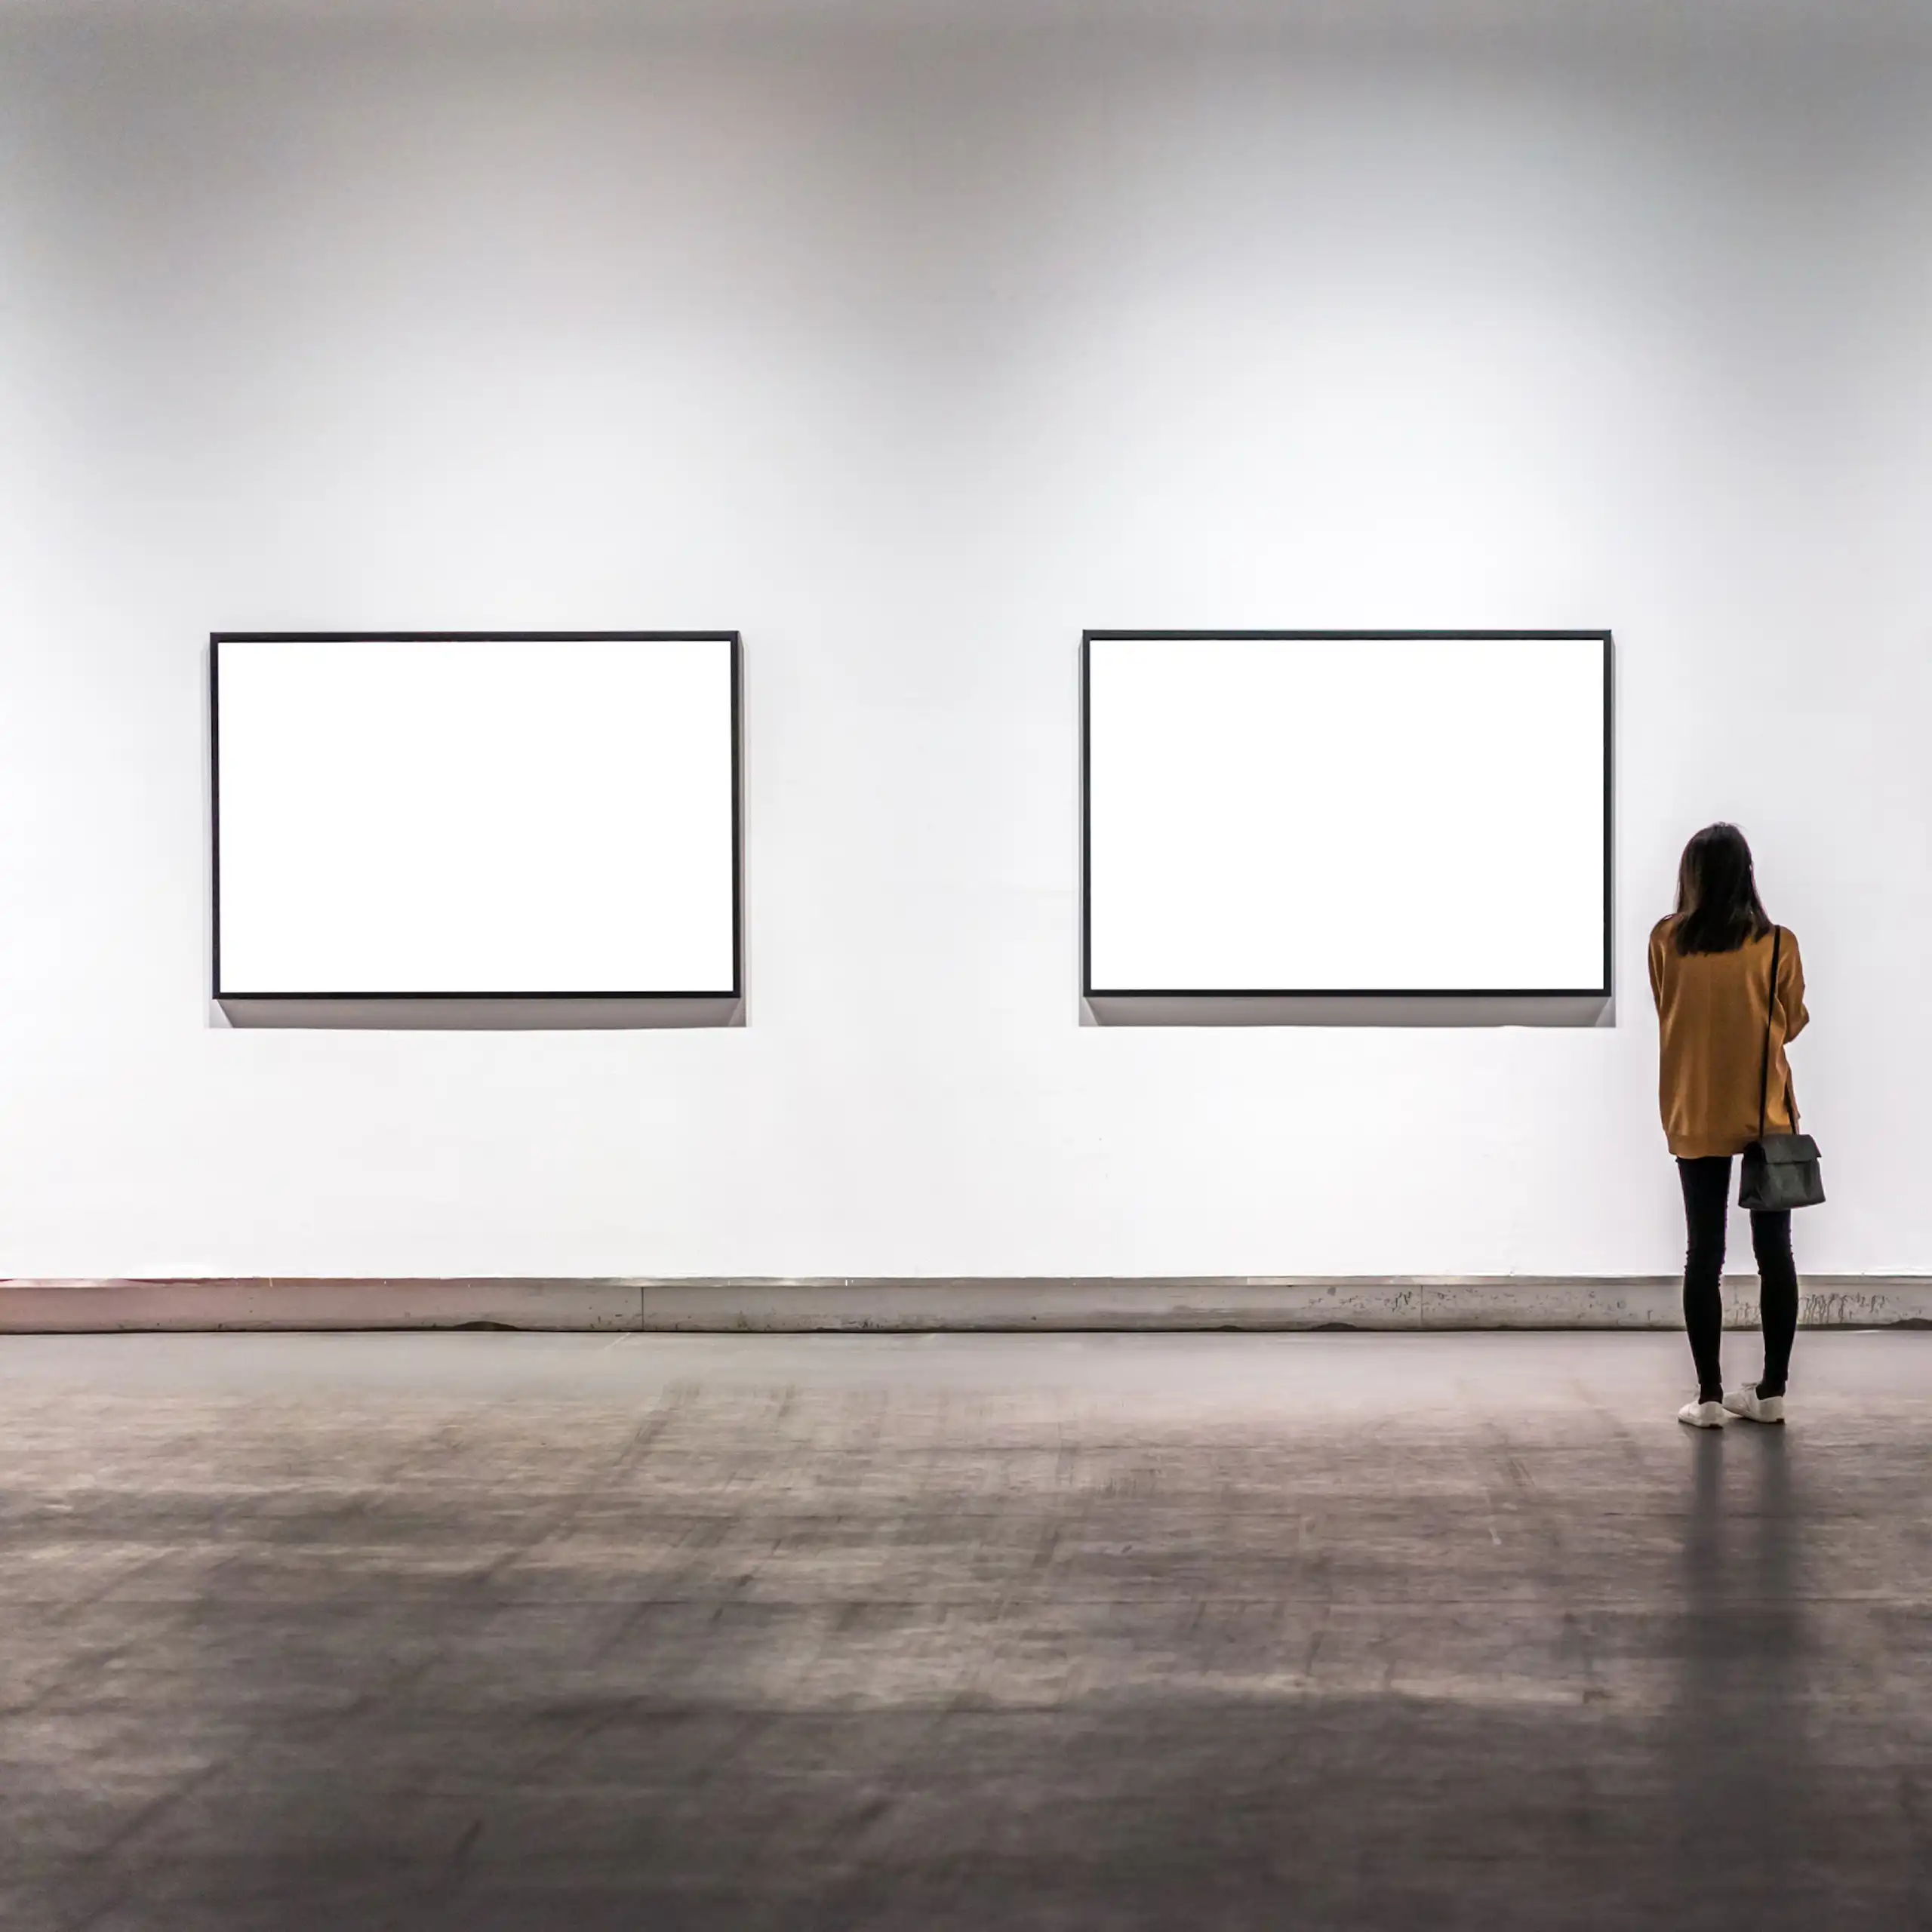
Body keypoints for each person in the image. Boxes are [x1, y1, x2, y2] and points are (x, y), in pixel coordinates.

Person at [1649, 823, 1808, 1429]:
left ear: (1690, 876)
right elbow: (1791, 1021)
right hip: (1764, 1112)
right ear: (1747, 874)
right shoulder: (1777, 945)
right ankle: (1770, 1392)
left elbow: (1667, 1006)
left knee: (1703, 1254)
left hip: (1694, 1110)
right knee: (1776, 1256)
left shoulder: (1665, 940)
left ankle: (1710, 1395)